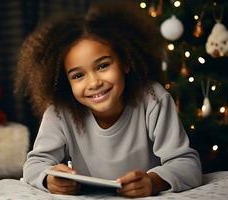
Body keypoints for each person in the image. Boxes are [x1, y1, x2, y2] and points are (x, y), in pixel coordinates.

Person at [16, 0, 202, 198]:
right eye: (78, 76)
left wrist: (153, 182)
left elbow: (187, 164)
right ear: (65, 82)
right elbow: (34, 164)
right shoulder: (60, 112)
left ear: (125, 62)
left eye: (103, 66)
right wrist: (49, 178)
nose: (94, 83)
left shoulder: (153, 99)